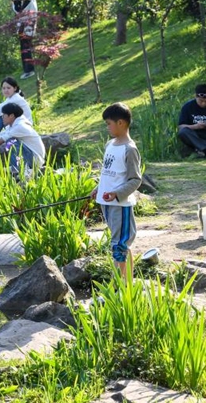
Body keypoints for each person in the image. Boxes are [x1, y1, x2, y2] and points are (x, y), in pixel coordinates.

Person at [90, 102, 142, 280]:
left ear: (121, 123)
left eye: (108, 123)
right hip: (107, 203)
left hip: (120, 204)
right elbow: (108, 172)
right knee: (118, 243)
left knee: (120, 245)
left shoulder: (130, 149)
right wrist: (99, 188)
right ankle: (121, 283)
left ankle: (124, 286)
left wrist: (118, 193)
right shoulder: (110, 145)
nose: (107, 127)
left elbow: (135, 179)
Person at [0, 103, 45, 172]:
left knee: (11, 141)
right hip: (28, 155)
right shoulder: (12, 125)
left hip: (34, 158)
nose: (2, 117)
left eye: (4, 115)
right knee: (2, 145)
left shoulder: (20, 126)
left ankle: (18, 169)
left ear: (11, 116)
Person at [11, 0, 37, 80]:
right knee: (24, 51)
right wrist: (16, 2)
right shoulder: (27, 2)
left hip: (27, 30)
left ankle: (30, 70)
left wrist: (15, 2)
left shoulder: (30, 3)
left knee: (26, 51)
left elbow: (19, 12)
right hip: (24, 30)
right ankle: (27, 70)